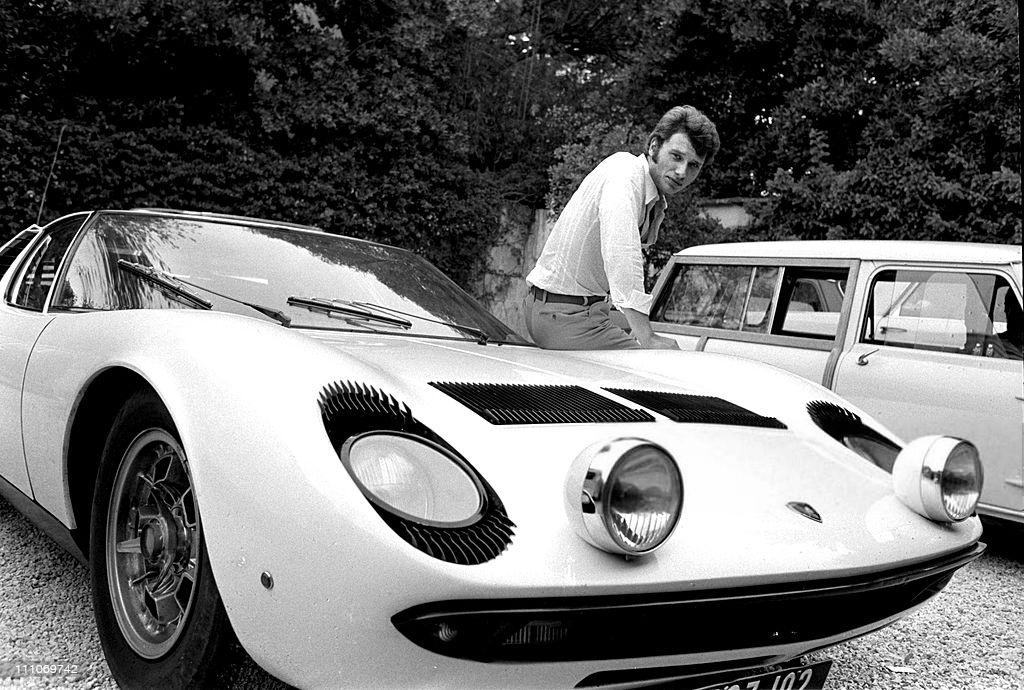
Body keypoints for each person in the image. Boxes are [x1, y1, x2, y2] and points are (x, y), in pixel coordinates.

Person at [525, 105, 720, 350]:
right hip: (564, 314)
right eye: (677, 156)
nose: (682, 172)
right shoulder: (625, 176)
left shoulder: (647, 191)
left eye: (694, 165)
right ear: (654, 147)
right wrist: (648, 338)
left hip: (575, 309)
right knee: (654, 368)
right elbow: (622, 256)